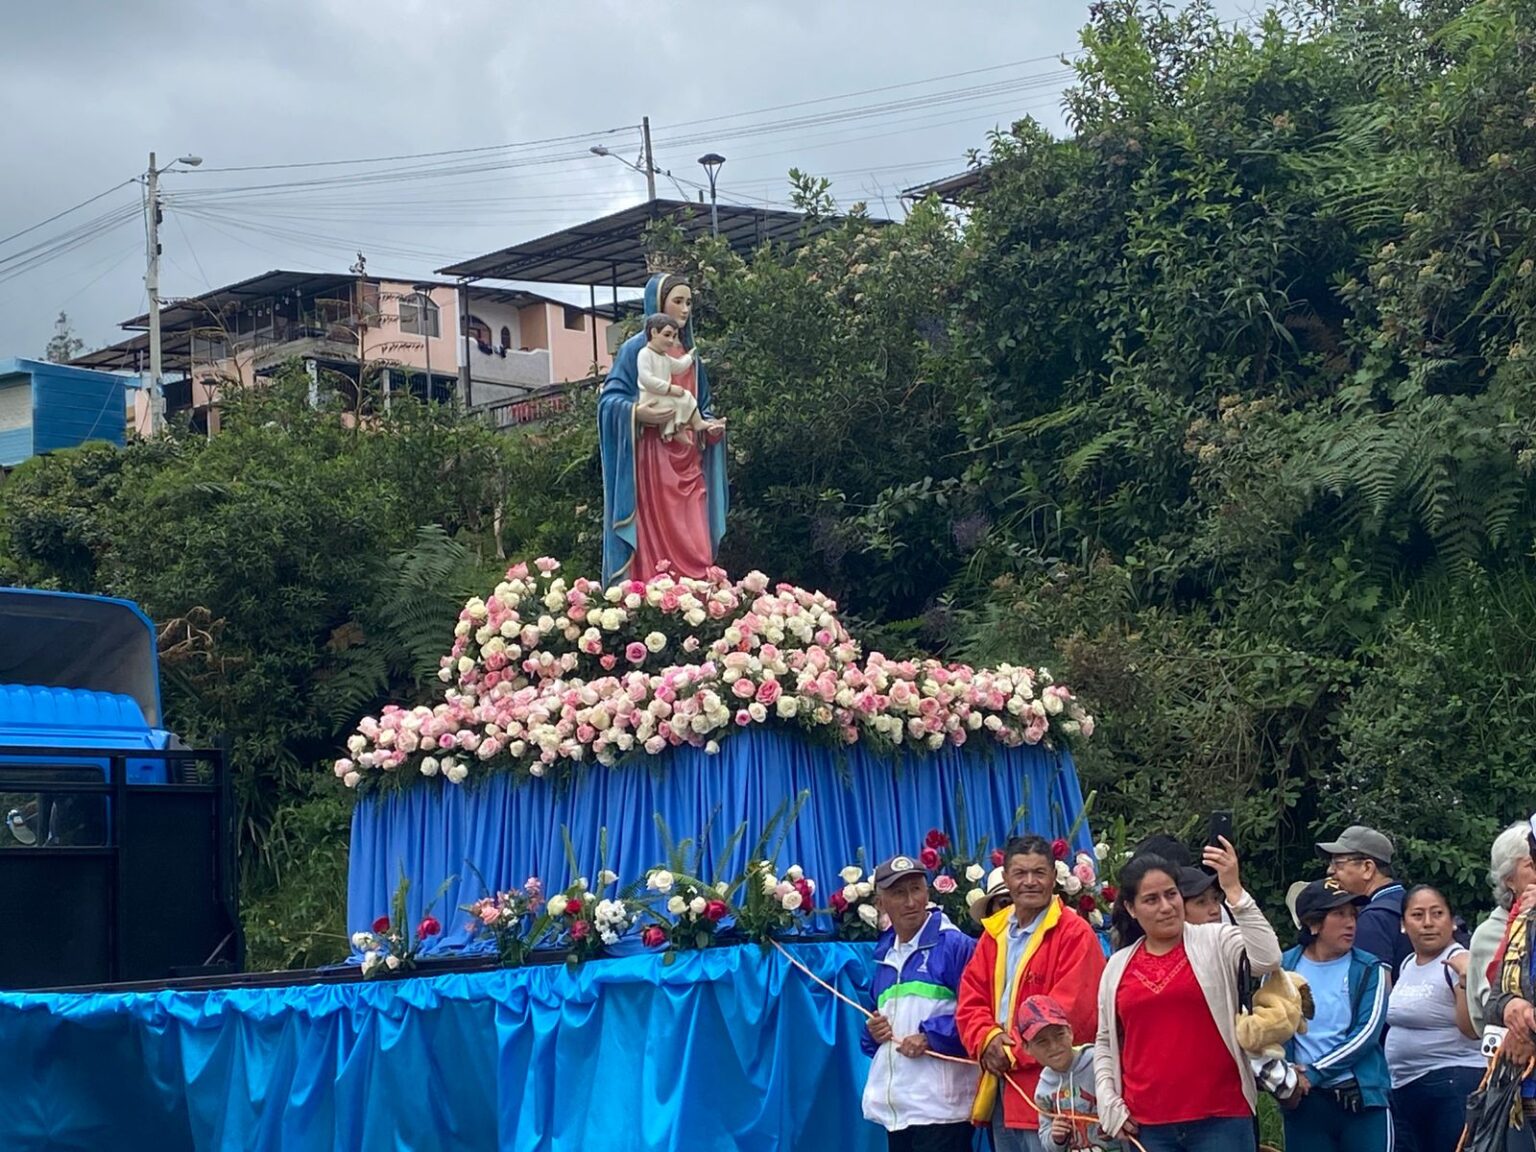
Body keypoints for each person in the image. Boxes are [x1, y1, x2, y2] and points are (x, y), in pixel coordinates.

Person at [1093, 839, 1281, 1151]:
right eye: (1151, 900)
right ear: (1131, 907)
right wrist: (1108, 1099)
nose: (1166, 906)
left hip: (1221, 1118)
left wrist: (1233, 889)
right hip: (1148, 1125)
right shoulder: (1117, 966)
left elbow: (1268, 958)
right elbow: (1104, 1039)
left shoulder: (1217, 940)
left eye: (1171, 894)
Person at [957, 835, 1108, 1152]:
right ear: (1006, 879)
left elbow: (1072, 1012)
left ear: (1054, 877)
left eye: (1039, 872)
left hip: (1057, 1097)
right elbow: (970, 1000)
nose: (1030, 882)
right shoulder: (994, 933)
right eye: (1020, 873)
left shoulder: (1073, 932)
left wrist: (1008, 1051)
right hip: (1004, 1091)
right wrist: (986, 1039)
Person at [598, 273, 728, 587]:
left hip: (688, 457)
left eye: (689, 302)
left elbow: (703, 404)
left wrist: (710, 427)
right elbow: (609, 401)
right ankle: (656, 599)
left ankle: (697, 598)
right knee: (654, 536)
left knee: (696, 536)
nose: (685, 310)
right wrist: (638, 414)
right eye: (678, 301)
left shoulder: (692, 359)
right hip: (652, 461)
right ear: (658, 305)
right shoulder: (636, 350)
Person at [861, 854, 979, 1151]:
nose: (910, 901)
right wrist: (873, 1032)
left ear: (928, 892)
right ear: (881, 903)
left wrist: (930, 1037)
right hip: (898, 1109)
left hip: (942, 1108)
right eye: (899, 893)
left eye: (916, 889)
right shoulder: (885, 956)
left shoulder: (955, 945)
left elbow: (979, 1014)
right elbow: (877, 1032)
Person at [1279, 878, 1392, 1152]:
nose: (1351, 923)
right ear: (1313, 923)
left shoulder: (1369, 968)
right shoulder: (1282, 968)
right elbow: (1272, 1028)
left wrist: (1315, 1072)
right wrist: (1284, 1079)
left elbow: (1367, 1034)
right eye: (1339, 914)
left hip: (1360, 1099)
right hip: (1304, 1101)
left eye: (1353, 914)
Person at [1385, 885, 1484, 1152]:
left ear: (1452, 922)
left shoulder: (1459, 961)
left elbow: (1472, 1030)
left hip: (1451, 1083)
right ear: (1403, 925)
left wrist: (1465, 980)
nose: (1428, 923)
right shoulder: (1407, 964)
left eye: (1437, 913)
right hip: (1405, 1087)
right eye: (1417, 915)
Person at [1021, 996, 1120, 1151]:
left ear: (1070, 1031)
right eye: (1042, 1042)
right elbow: (1046, 1141)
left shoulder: (1098, 1063)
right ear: (1026, 1048)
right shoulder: (1043, 1089)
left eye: (1059, 1035)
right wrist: (1057, 1138)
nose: (1054, 1046)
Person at [1317, 824, 1412, 975]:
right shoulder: (1411, 905)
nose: (1330, 871)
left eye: (1338, 863)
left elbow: (1370, 986)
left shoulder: (1374, 919)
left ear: (1367, 868)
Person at [1470, 822, 1536, 1035]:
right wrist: (1509, 1008)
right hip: (1512, 1057)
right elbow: (1488, 1009)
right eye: (1531, 864)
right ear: (1509, 880)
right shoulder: (1491, 933)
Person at [636, 313, 723, 442]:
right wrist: (669, 389)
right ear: (654, 332)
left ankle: (695, 423)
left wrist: (689, 357)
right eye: (667, 335)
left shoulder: (663, 357)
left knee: (686, 397)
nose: (671, 340)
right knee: (674, 403)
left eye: (674, 336)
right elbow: (646, 379)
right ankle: (673, 431)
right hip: (651, 398)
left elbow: (678, 366)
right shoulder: (645, 354)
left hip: (663, 396)